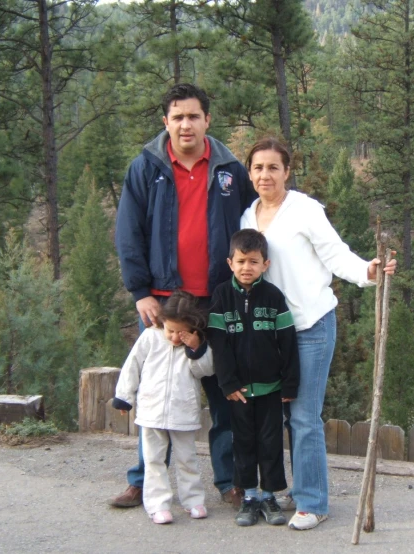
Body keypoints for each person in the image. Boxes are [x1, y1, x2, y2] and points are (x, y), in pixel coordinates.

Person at [240, 138, 397, 531]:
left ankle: (313, 501)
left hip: (310, 326)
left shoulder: (305, 210)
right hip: (268, 333)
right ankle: (282, 490)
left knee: (304, 417)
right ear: (249, 173)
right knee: (273, 417)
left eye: (273, 167)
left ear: (287, 171)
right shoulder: (247, 216)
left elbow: (335, 253)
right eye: (258, 168)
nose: (265, 175)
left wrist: (367, 271)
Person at [112, 83, 256, 509]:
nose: (186, 124)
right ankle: (142, 481)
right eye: (177, 117)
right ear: (166, 122)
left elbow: (252, 229)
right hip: (164, 304)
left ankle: (229, 481)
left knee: (224, 393)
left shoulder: (231, 170)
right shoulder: (147, 167)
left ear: (207, 120)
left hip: (217, 301)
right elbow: (128, 233)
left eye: (193, 116)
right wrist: (140, 292)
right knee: (157, 396)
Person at [207, 230, 299, 527]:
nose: (247, 267)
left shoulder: (273, 296)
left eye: (254, 262)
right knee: (243, 443)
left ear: (265, 264)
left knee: (271, 443)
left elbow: (287, 342)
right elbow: (218, 345)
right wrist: (228, 383)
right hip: (239, 392)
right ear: (230, 263)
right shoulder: (221, 295)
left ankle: (269, 496)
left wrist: (290, 382)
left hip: (271, 388)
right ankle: (248, 496)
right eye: (241, 261)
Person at [113, 291, 213, 524]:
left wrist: (196, 349)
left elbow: (205, 371)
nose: (176, 338)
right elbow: (132, 366)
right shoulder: (150, 337)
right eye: (171, 331)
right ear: (162, 323)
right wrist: (124, 397)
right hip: (151, 411)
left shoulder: (197, 344)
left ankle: (194, 500)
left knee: (187, 459)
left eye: (182, 332)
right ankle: (158, 504)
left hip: (183, 412)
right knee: (154, 460)